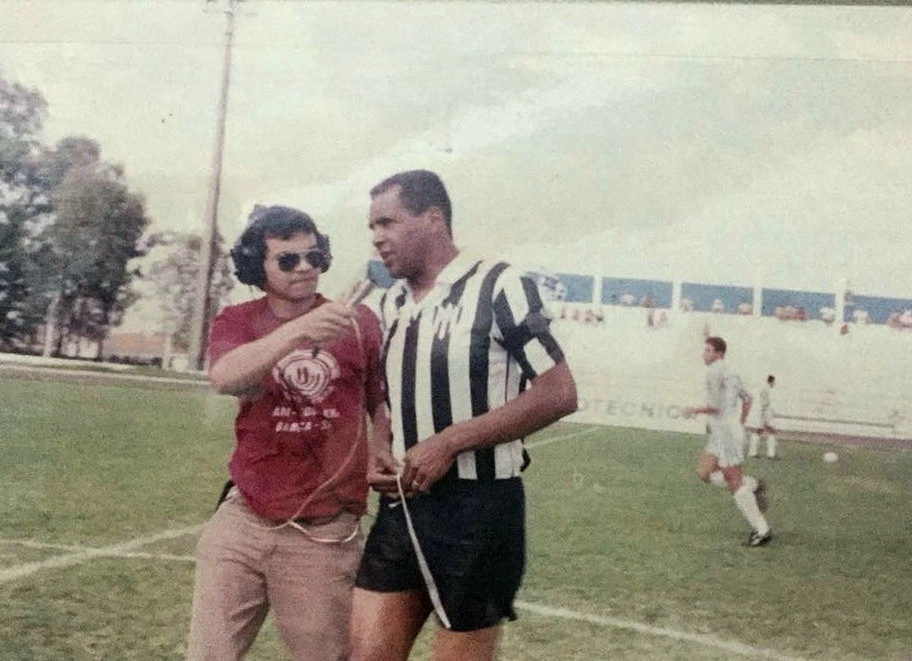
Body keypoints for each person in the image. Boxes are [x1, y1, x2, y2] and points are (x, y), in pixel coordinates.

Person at [349, 170, 578, 661]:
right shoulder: (389, 302)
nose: (376, 238)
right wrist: (380, 445)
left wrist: (450, 441)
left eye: (387, 222)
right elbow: (387, 395)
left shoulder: (501, 286)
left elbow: (558, 393)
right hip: (402, 506)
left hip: (478, 511)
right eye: (372, 226)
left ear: (433, 219)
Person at [186, 205, 388, 660]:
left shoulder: (361, 322)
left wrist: (383, 445)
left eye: (313, 257)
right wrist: (297, 333)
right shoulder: (238, 320)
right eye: (288, 260)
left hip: (322, 533)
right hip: (243, 522)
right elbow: (225, 377)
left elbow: (380, 397)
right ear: (258, 265)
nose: (305, 269)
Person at [683, 336, 772, 548]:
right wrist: (739, 421)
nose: (704, 354)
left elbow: (716, 408)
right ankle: (753, 485)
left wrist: (693, 410)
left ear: (719, 353)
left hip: (725, 433)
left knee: (733, 480)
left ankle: (762, 529)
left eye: (708, 350)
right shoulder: (731, 371)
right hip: (724, 430)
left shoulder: (714, 373)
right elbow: (748, 398)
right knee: (704, 472)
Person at [748, 375, 778, 459]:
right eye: (774, 382)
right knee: (770, 432)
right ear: (771, 381)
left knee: (758, 432)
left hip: (760, 413)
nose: (774, 384)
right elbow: (765, 404)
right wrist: (765, 419)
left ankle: (753, 453)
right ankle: (770, 454)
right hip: (763, 413)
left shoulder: (763, 388)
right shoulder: (766, 389)